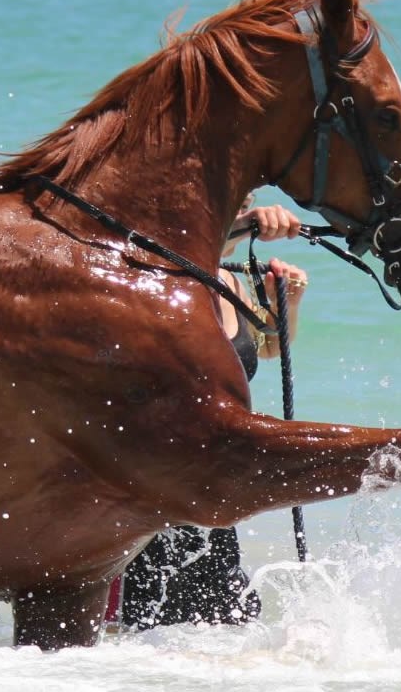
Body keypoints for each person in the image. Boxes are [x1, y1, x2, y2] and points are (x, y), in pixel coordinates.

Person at [107, 201, 309, 631]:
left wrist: (284, 305)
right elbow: (163, 246)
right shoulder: (148, 273)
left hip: (211, 494)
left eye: (247, 198)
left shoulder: (230, 281)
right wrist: (245, 227)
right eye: (233, 199)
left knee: (220, 642)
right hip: (144, 495)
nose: (242, 203)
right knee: (141, 640)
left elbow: (265, 350)